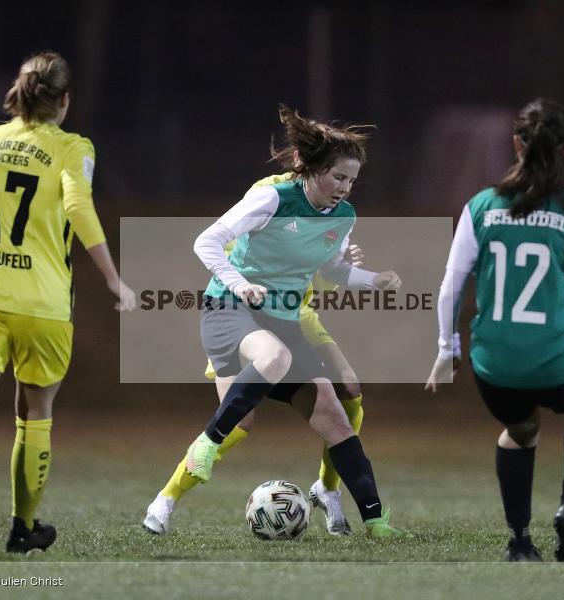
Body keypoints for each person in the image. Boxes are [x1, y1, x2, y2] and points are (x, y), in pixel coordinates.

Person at [147, 104, 407, 538]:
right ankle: (189, 469)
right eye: (338, 177)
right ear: (311, 169)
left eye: (351, 180)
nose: (344, 188)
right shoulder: (272, 197)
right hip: (230, 310)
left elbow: (333, 270)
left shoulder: (344, 216)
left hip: (283, 317)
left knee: (335, 416)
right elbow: (206, 241)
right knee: (272, 362)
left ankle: (377, 523)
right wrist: (240, 284)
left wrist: (371, 278)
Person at [0, 51, 136, 554]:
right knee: (35, 412)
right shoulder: (72, 146)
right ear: (64, 100)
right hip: (43, 302)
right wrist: (113, 278)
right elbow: (79, 207)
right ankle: (22, 527)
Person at [425, 98, 564, 562]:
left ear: (516, 143)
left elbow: (449, 288)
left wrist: (445, 349)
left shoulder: (482, 206)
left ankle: (520, 541)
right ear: (563, 151)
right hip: (557, 362)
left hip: (494, 366)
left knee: (519, 430)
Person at [143, 172, 367, 536]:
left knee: (349, 387)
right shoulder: (270, 193)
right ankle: (166, 498)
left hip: (297, 313)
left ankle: (328, 488)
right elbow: (234, 251)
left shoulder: (336, 205)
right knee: (238, 422)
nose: (341, 181)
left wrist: (345, 264)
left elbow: (322, 271)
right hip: (246, 309)